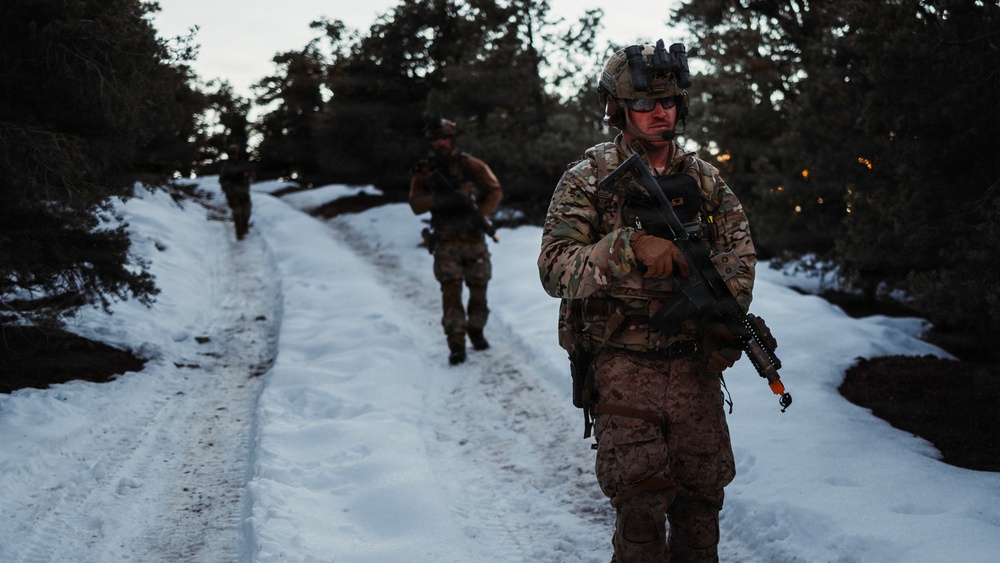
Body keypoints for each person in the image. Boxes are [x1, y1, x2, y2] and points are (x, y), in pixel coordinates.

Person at [537, 40, 757, 562]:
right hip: (621, 361)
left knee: (700, 507)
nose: (660, 112)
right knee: (639, 511)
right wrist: (626, 247)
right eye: (644, 104)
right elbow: (554, 268)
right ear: (617, 109)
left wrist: (725, 315)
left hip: (693, 365)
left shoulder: (706, 180)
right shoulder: (588, 179)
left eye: (670, 101)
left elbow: (740, 258)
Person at [409, 116, 503, 365]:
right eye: (435, 140)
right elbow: (415, 204)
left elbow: (495, 190)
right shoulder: (426, 171)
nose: (440, 143)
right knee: (451, 294)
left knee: (479, 290)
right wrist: (437, 199)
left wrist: (480, 214)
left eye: (444, 138)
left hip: (473, 239)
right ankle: (456, 344)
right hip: (446, 243)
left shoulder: (471, 165)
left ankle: (476, 329)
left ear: (452, 139)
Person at [219, 144, 255, 240]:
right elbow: (222, 179)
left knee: (246, 212)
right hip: (232, 193)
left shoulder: (244, 164)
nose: (234, 156)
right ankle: (240, 233)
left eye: (235, 153)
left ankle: (244, 228)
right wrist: (227, 188)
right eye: (232, 154)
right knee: (237, 212)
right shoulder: (226, 166)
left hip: (243, 192)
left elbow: (252, 176)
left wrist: (248, 176)